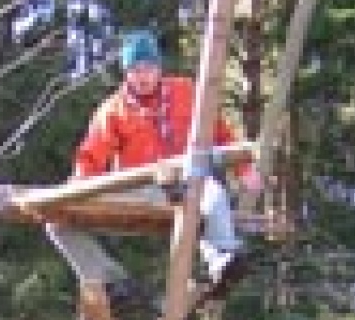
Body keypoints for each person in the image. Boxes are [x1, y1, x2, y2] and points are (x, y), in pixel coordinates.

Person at [72, 28, 262, 297]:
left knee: (213, 196)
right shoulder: (113, 110)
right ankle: (109, 280)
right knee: (56, 221)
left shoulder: (186, 92)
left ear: (159, 67)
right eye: (135, 70)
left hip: (190, 182)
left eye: (148, 67)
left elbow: (220, 133)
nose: (143, 76)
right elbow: (91, 155)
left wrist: (244, 169)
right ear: (126, 74)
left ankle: (222, 262)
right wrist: (78, 185)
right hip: (142, 189)